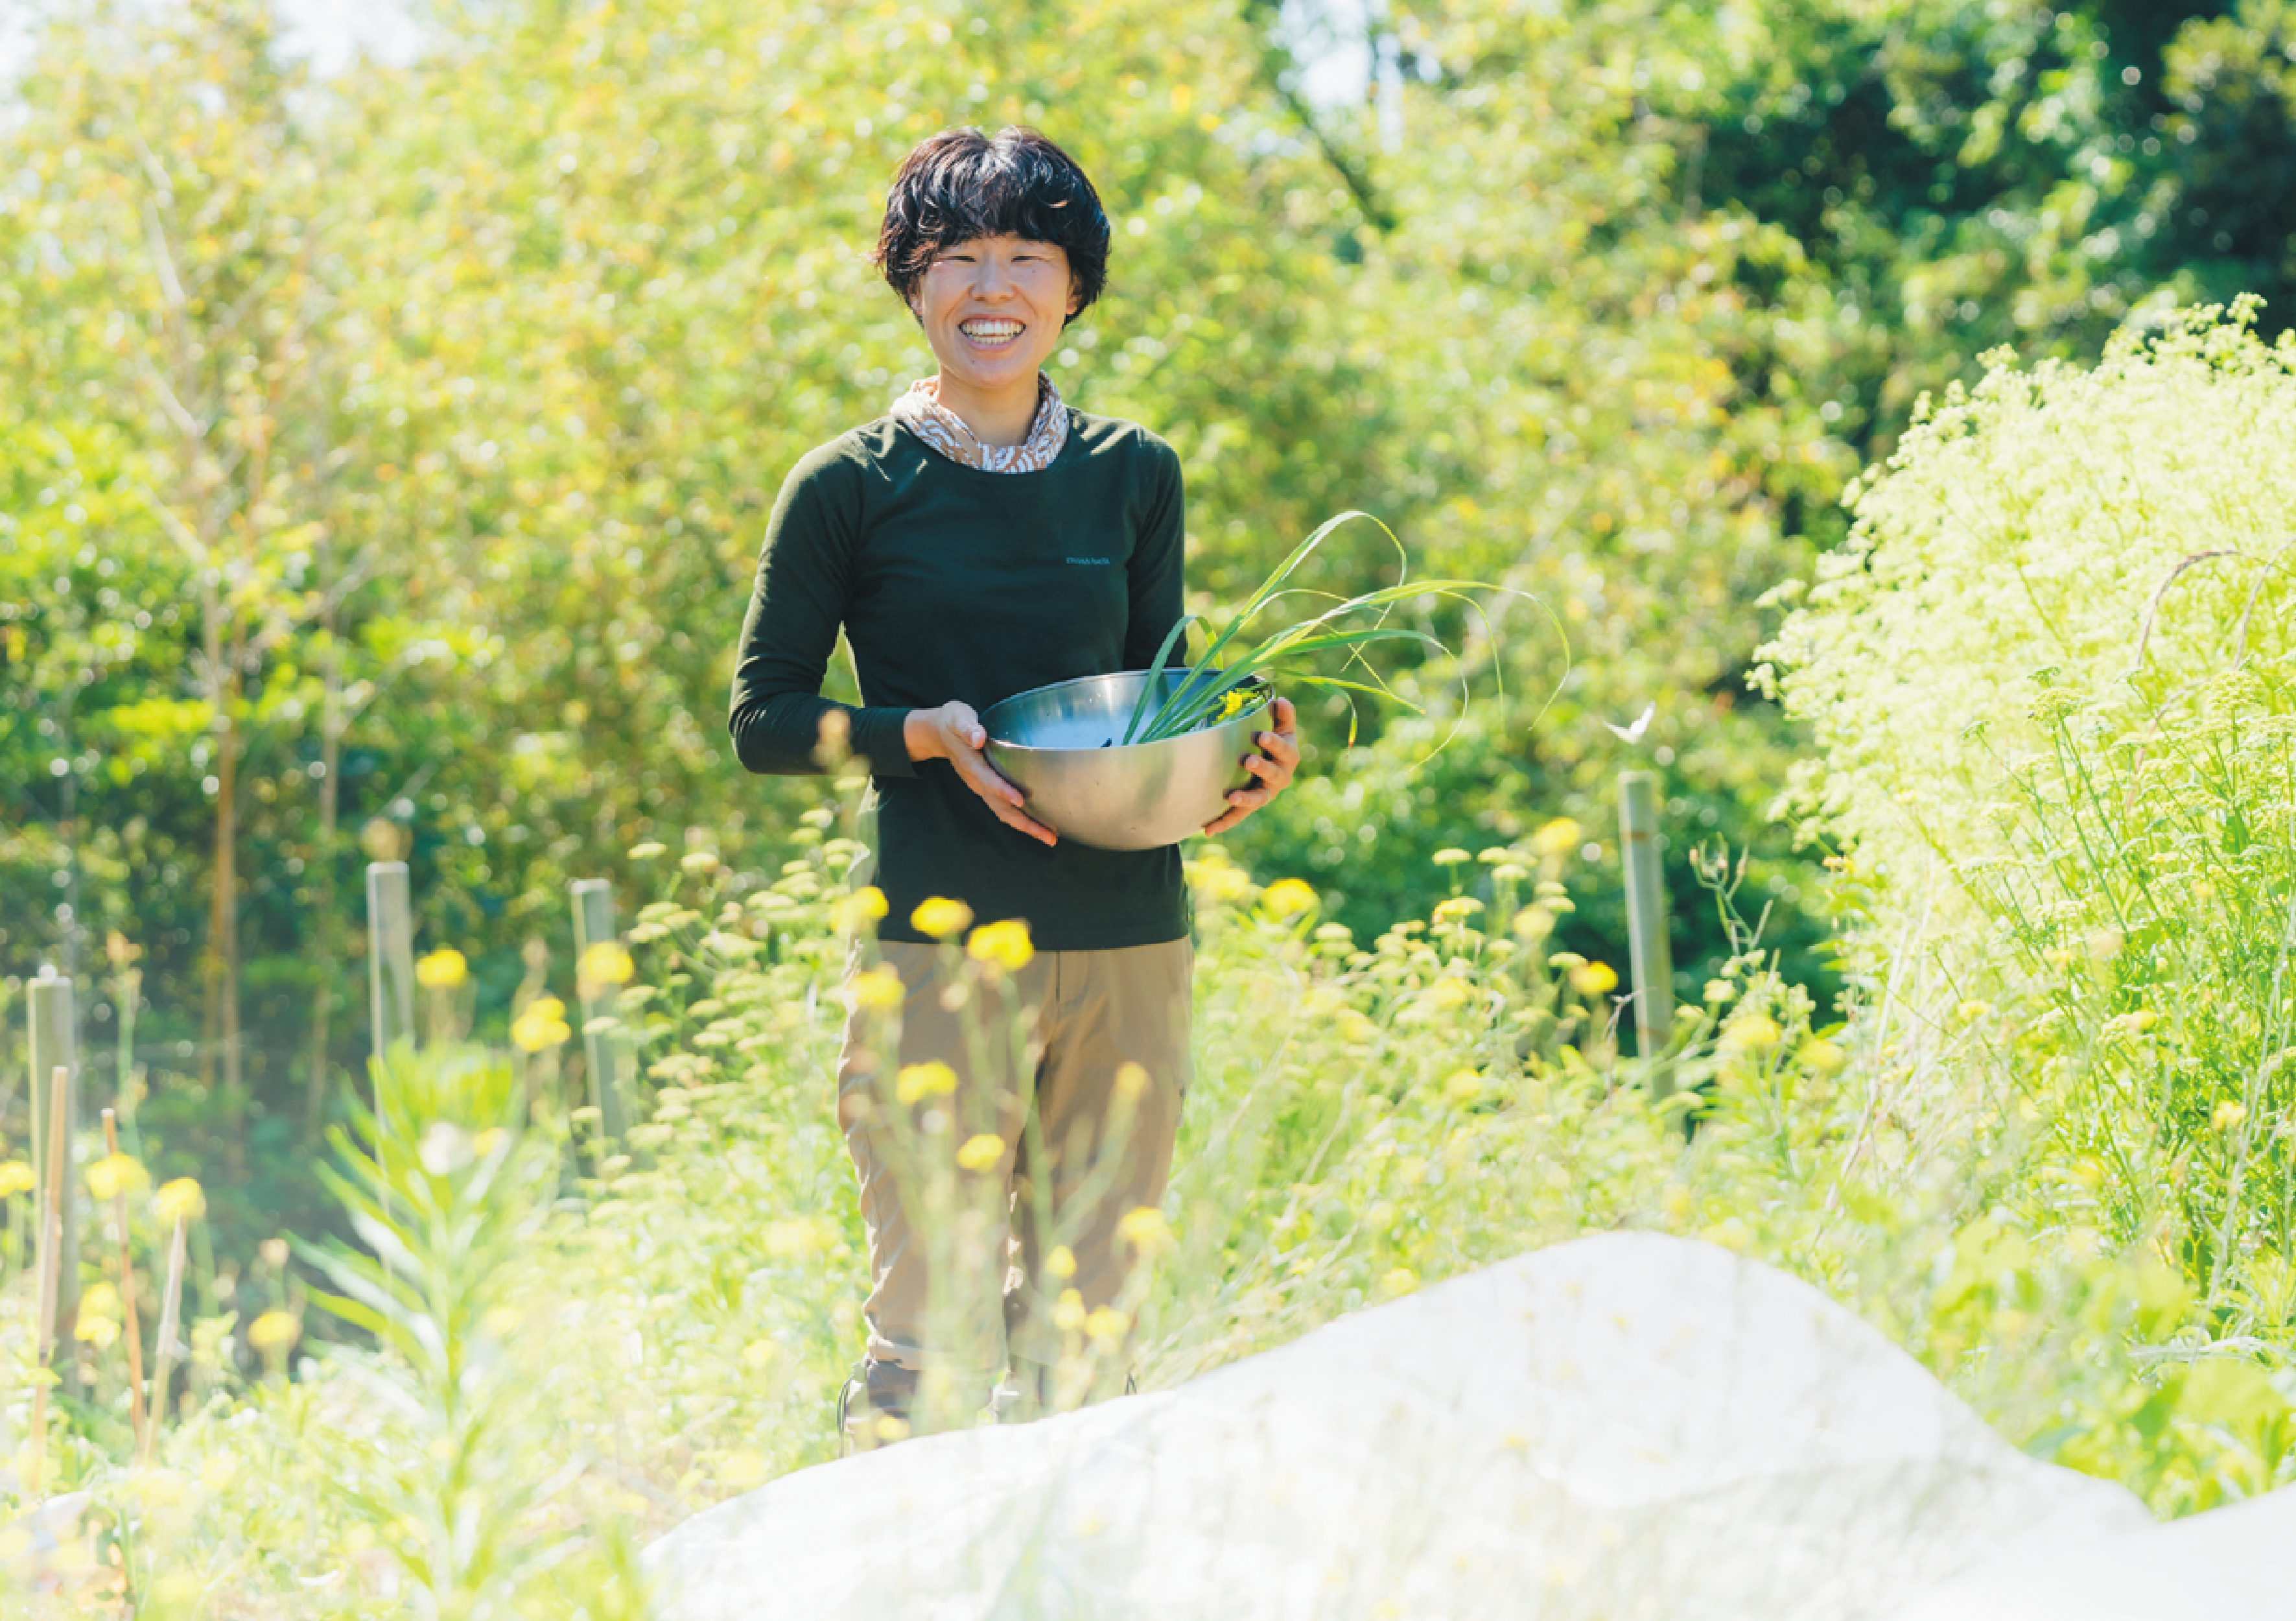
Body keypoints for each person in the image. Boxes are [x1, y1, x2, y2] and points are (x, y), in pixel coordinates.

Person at [729, 127, 1298, 1445]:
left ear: (1073, 284)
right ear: (911, 284)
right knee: (927, 1331)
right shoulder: (846, 488)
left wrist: (1242, 758)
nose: (993, 287)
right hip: (938, 933)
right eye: (957, 257)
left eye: (1025, 256)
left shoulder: (1134, 470)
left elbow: (1156, 690)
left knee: (1088, 1334)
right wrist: (916, 735)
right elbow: (765, 722)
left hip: (1129, 938)